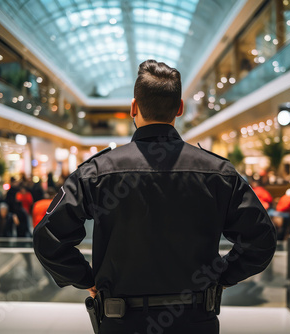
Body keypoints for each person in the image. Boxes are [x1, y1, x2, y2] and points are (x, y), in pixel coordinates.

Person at [33, 60, 277, 334]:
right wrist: (221, 275)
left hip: (121, 321)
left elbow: (48, 239)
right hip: (195, 321)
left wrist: (86, 278)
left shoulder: (96, 172)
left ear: (133, 107)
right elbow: (261, 240)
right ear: (180, 108)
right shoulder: (219, 172)